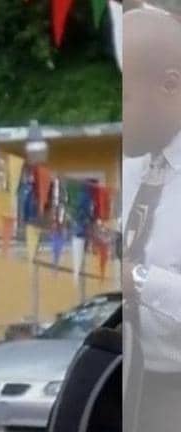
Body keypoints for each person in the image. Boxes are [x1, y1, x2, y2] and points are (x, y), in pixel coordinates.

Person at [123, 8, 181, 432]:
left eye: (122, 96)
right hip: (126, 391)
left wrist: (138, 280)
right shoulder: (129, 171)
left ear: (170, 86)